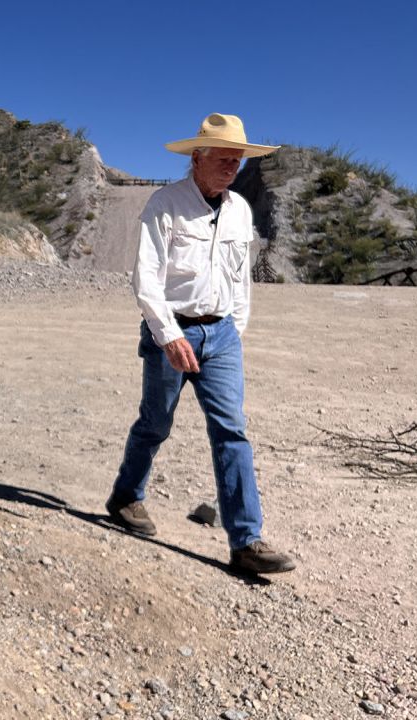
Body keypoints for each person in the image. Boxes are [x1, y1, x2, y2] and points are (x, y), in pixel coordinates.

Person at [105, 113, 296, 574]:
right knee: (155, 423)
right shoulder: (164, 204)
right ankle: (126, 498)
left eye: (238, 160)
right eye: (224, 158)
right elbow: (145, 278)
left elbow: (240, 279)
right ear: (197, 158)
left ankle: (245, 541)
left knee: (232, 431)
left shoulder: (240, 211)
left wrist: (235, 328)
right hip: (172, 330)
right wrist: (168, 334)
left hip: (222, 335)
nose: (232, 167)